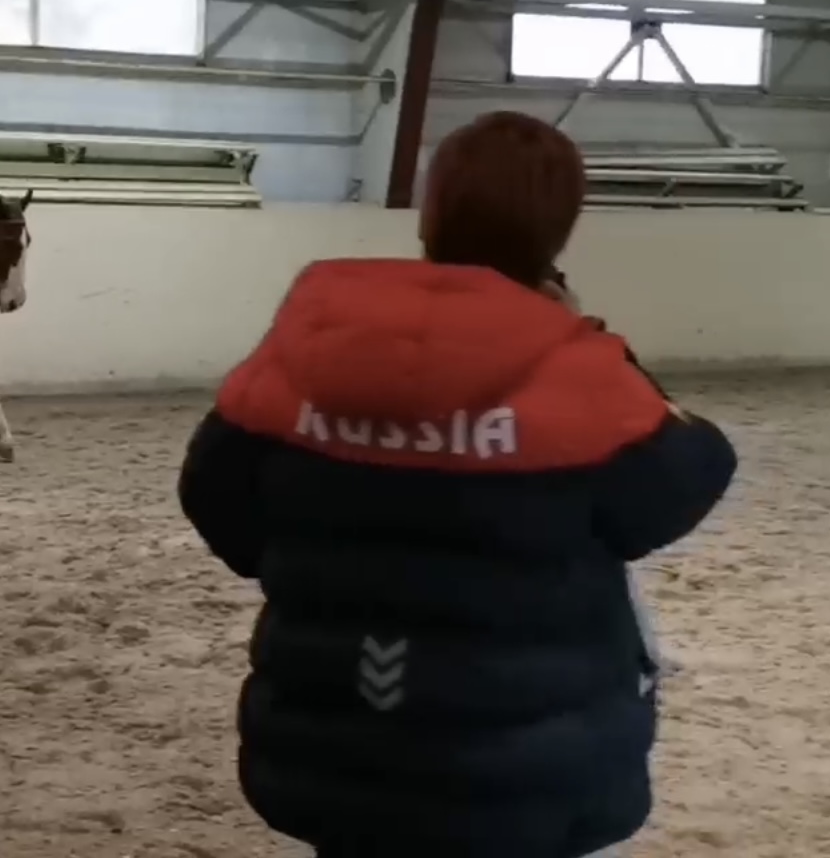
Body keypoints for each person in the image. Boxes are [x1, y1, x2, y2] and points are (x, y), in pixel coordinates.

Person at [176, 110, 738, 858]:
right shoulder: (580, 371)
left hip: (335, 749)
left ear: (430, 211)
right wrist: (602, 346)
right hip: (525, 771)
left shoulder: (311, 341)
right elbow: (683, 482)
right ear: (559, 229)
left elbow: (215, 496)